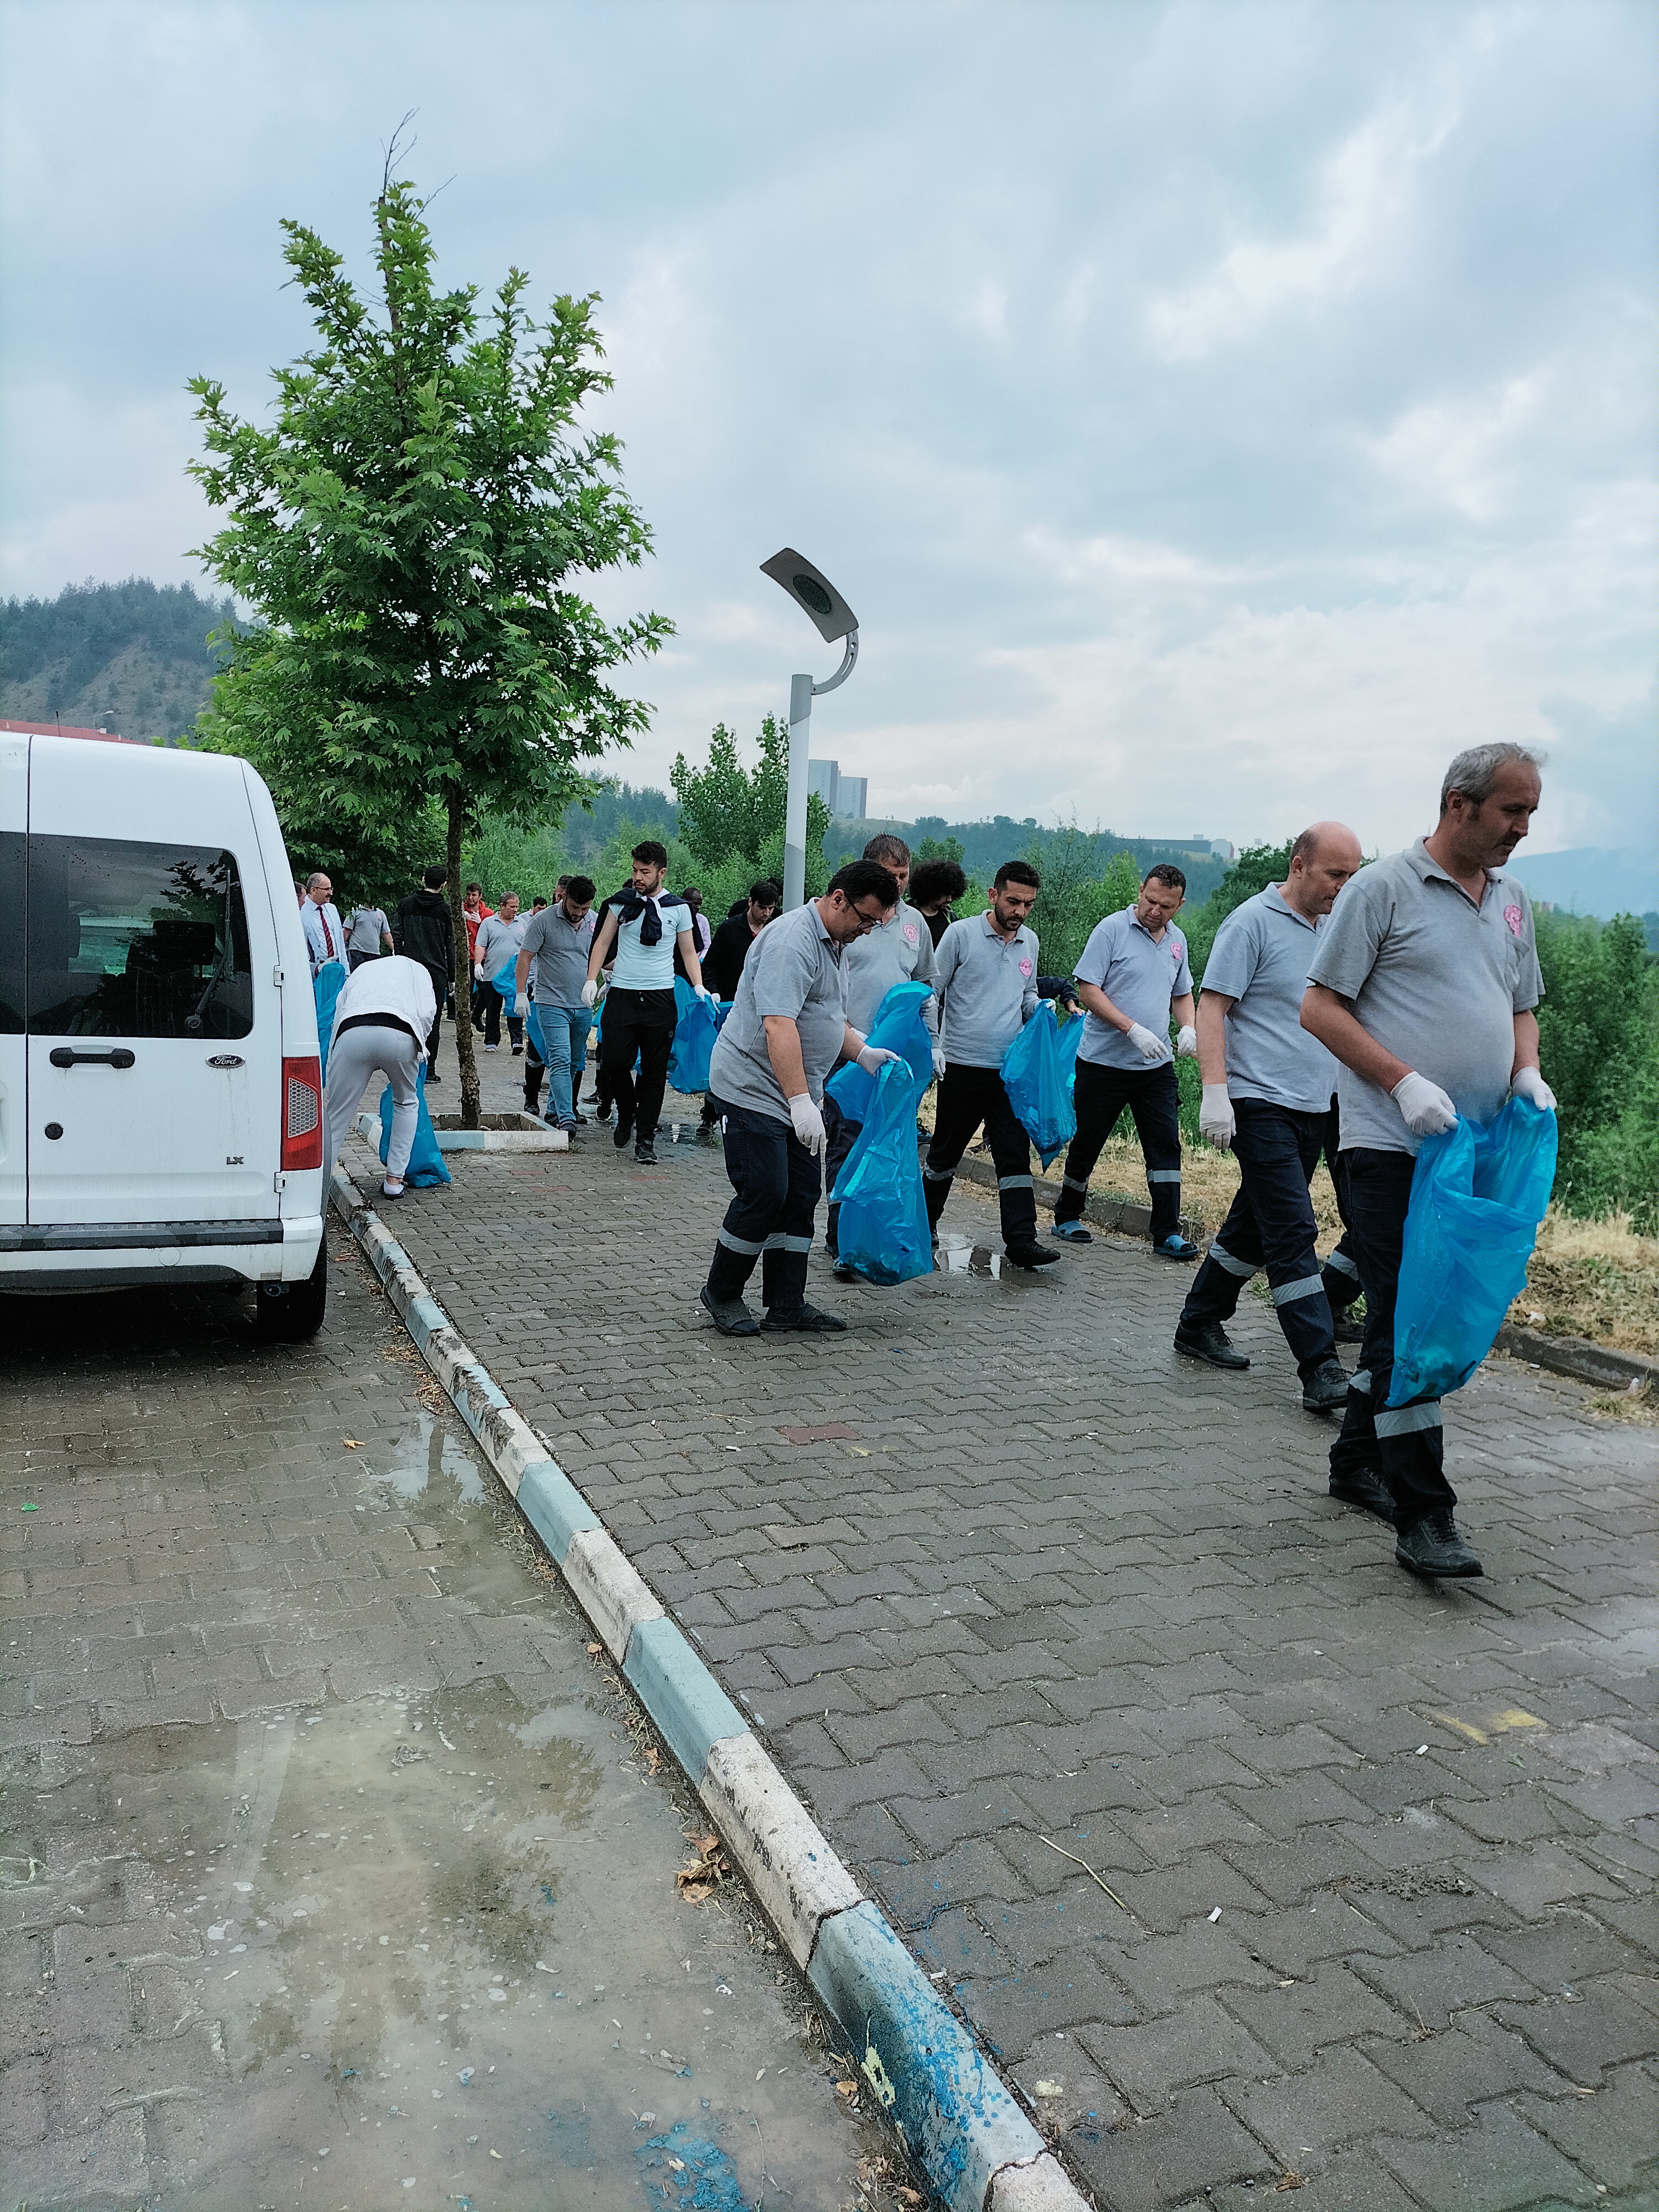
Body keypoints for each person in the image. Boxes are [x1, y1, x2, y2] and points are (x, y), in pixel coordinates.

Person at [1302, 742, 1554, 1582]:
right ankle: (1426, 1516)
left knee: (1405, 1323)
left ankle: (1354, 1460)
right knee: (1417, 1319)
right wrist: (1401, 1081)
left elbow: (1522, 1004)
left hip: (1474, 1151)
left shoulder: (1512, 900)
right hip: (1389, 1142)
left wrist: (1527, 1068)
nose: (1524, 827)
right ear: (1460, 804)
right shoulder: (1382, 889)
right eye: (1512, 811)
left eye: (1531, 812)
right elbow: (1319, 1007)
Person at [1172, 824, 1370, 1431]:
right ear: (1299, 865)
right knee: (1292, 1229)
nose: (1345, 886)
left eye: (1353, 875)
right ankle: (1320, 1368)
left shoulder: (1335, 928)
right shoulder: (1251, 922)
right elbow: (1212, 1007)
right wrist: (1215, 1094)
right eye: (1336, 874)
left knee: (1254, 1227)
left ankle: (1199, 1320)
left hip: (1320, 1103)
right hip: (1259, 1103)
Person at [700, 860, 902, 1337]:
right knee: (766, 1190)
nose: (866, 930)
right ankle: (723, 1292)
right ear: (837, 899)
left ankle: (787, 1303)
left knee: (801, 1195)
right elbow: (779, 1024)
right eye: (864, 918)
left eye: (875, 923)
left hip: (797, 1090)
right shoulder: (794, 941)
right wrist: (798, 1102)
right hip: (752, 1087)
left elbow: (827, 1017)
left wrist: (863, 1052)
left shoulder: (835, 942)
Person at [1051, 865, 1201, 1259]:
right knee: (1089, 1141)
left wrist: (1189, 1027)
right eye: (1150, 901)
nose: (1156, 911)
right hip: (1103, 1063)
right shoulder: (1111, 931)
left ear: (1179, 905)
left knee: (1165, 1145)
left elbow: (1182, 993)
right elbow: (1089, 991)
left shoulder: (1177, 942)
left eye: (1166, 906)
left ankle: (1167, 1230)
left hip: (1155, 1069)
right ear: (1141, 891)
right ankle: (1067, 1214)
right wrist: (1130, 1029)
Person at [924, 862, 1058, 1270]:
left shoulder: (1029, 943)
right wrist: (933, 1044)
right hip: (962, 1064)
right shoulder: (960, 935)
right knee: (945, 1152)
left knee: (1014, 1155)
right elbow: (931, 991)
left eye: (1029, 904)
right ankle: (922, 1226)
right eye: (1014, 901)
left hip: (1008, 1071)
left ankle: (1021, 1239)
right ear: (993, 895)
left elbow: (1027, 994)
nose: (1020, 911)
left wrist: (1041, 1009)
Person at [823, 834, 941, 1264]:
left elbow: (926, 984)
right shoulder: (850, 919)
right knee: (847, 1142)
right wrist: (846, 1032)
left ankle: (877, 1232)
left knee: (889, 1143)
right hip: (848, 1049)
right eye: (889, 876)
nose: (898, 884)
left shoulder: (915, 925)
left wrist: (935, 1041)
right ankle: (842, 1240)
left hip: (898, 1060)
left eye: (903, 876)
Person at [584, 841, 711, 1165]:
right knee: (614, 1063)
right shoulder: (620, 904)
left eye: (645, 872)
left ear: (661, 872)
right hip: (623, 994)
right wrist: (591, 979)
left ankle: (646, 1139)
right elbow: (602, 944)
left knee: (654, 1073)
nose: (638, 877)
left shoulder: (679, 909)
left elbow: (687, 952)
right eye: (635, 870)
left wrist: (699, 986)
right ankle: (626, 1112)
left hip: (660, 998)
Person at [321, 953, 437, 1203]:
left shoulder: (362, 969)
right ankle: (394, 1181)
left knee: (337, 1114)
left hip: (352, 1033)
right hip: (400, 1032)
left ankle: (318, 1183)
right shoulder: (417, 968)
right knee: (406, 1101)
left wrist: (332, 1063)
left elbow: (339, 1011)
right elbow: (427, 1011)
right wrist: (420, 1046)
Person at [515, 874, 596, 1129]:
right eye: (575, 907)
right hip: (551, 1003)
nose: (579, 913)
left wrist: (615, 977)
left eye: (585, 908)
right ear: (564, 898)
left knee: (574, 1060)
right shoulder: (543, 921)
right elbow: (525, 958)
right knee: (559, 1059)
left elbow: (602, 957)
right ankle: (566, 1117)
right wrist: (520, 994)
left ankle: (554, 1110)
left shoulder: (594, 922)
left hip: (583, 1004)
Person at [393, 865, 456, 1080]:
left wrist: (400, 960)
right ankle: (429, 1070)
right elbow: (451, 945)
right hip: (436, 972)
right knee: (434, 1021)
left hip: (409, 969)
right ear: (444, 885)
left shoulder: (406, 905)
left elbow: (397, 934)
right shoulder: (446, 911)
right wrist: (452, 976)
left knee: (407, 1018)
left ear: (423, 880)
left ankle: (405, 1068)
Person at [474, 892, 528, 1054]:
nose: (515, 910)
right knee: (492, 1009)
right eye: (512, 907)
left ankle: (517, 1041)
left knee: (514, 1009)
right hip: (493, 974)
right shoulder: (489, 923)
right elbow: (481, 945)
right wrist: (478, 964)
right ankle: (491, 1040)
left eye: (517, 907)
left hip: (514, 976)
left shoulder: (522, 923)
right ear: (502, 906)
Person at [909, 858, 967, 948]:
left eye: (952, 895)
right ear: (933, 890)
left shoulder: (950, 918)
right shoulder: (908, 913)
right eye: (946, 894)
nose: (950, 899)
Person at [299, 872, 345, 977]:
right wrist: (315, 969)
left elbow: (340, 943)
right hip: (317, 970)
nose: (331, 893)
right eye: (326, 889)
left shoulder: (332, 909)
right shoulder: (301, 912)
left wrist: (346, 973)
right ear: (313, 890)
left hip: (336, 968)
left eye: (331, 889)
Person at [462, 884, 494, 1030]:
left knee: (486, 989)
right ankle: (465, 1020)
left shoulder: (487, 914)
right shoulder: (461, 910)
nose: (470, 898)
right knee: (466, 989)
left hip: (483, 956)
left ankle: (477, 1015)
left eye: (474, 895)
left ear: (480, 896)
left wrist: (481, 923)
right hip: (465, 955)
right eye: (469, 894)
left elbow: (493, 934)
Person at [344, 898, 392, 971]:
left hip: (375, 953)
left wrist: (395, 950)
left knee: (372, 979)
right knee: (357, 976)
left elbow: (386, 934)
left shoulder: (381, 913)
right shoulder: (355, 910)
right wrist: (340, 949)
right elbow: (347, 930)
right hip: (357, 952)